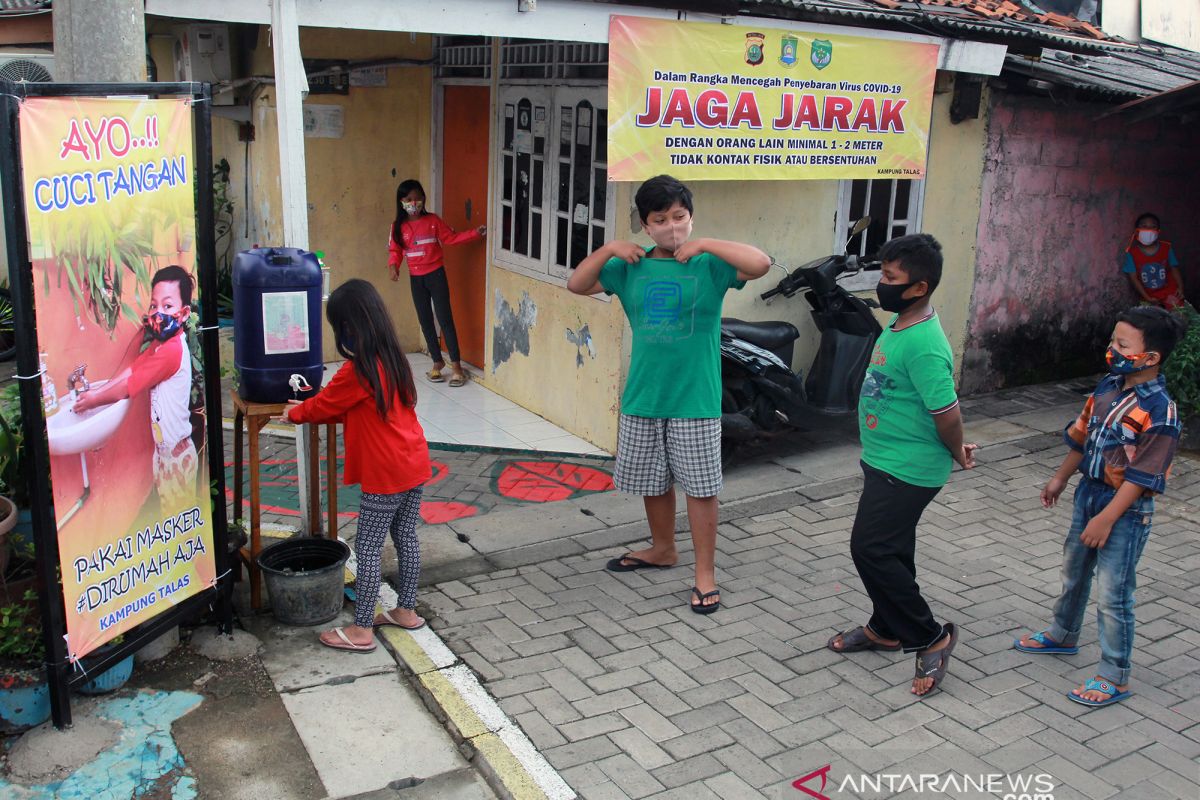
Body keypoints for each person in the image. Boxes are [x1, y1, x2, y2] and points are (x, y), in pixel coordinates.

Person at [566, 174, 771, 614]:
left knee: (700, 488)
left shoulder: (710, 266)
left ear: (691, 218)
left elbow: (760, 264)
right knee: (653, 481)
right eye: (661, 219)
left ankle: (705, 575)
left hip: (694, 397)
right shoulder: (630, 267)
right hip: (645, 394)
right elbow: (577, 285)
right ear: (646, 224)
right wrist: (608, 249)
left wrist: (707, 244)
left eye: (680, 217)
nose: (672, 226)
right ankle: (662, 549)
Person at [826, 234, 977, 697]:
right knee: (893, 549)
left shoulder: (927, 344)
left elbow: (947, 413)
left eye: (891, 277)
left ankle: (929, 635)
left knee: (869, 548)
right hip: (884, 458)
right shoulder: (900, 323)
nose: (881, 283)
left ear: (918, 287)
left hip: (910, 468)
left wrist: (957, 449)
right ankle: (884, 628)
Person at [1015, 306, 1186, 707]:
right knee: (1074, 570)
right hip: (1088, 495)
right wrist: (1060, 477)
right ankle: (1063, 633)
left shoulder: (1161, 412)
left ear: (1151, 357)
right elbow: (1082, 436)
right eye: (1113, 341)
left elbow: (1144, 478)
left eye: (1122, 344)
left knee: (1114, 593)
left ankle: (1115, 673)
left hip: (1124, 510)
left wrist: (1107, 519)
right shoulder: (1107, 387)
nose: (1112, 349)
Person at [283, 279, 432, 652]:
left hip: (386, 474)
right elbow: (360, 407)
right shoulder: (394, 358)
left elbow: (324, 405)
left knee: (366, 548)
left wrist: (293, 413)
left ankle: (363, 629)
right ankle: (406, 611)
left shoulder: (358, 370)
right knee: (406, 537)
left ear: (348, 327)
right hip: (413, 462)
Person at [74, 265, 199, 510]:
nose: (158, 312)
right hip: (165, 453)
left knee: (177, 518)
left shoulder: (171, 352)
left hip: (177, 456)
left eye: (167, 306)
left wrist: (93, 400)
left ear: (184, 314)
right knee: (169, 512)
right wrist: (98, 391)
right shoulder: (161, 345)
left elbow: (130, 385)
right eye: (154, 306)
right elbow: (134, 368)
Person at [388, 179, 486, 387]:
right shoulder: (397, 227)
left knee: (444, 319)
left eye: (417, 199)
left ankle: (457, 366)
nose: (413, 203)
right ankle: (437, 362)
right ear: (401, 202)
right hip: (416, 279)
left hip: (436, 275)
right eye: (408, 199)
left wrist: (475, 234)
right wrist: (393, 266)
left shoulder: (432, 221)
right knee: (425, 321)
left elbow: (451, 238)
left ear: (423, 199)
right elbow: (395, 251)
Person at [1121, 212, 1186, 310]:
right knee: (1152, 318)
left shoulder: (1166, 248)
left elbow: (1174, 269)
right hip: (1148, 294)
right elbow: (1133, 278)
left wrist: (1180, 288)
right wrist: (1147, 297)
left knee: (1179, 314)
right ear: (1137, 231)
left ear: (1158, 231)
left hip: (1169, 291)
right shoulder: (1131, 253)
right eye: (1144, 226)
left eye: (1153, 227)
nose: (1149, 229)